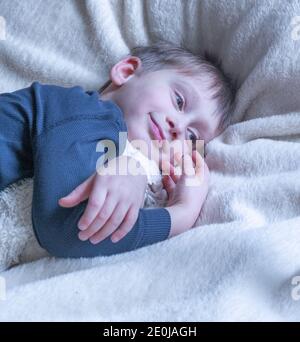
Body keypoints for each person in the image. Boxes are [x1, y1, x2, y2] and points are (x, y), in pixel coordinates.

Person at [0, 41, 235, 258]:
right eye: (179, 101)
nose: (178, 127)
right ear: (127, 71)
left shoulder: (100, 150)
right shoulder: (79, 109)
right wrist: (182, 214)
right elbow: (64, 228)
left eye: (192, 136)